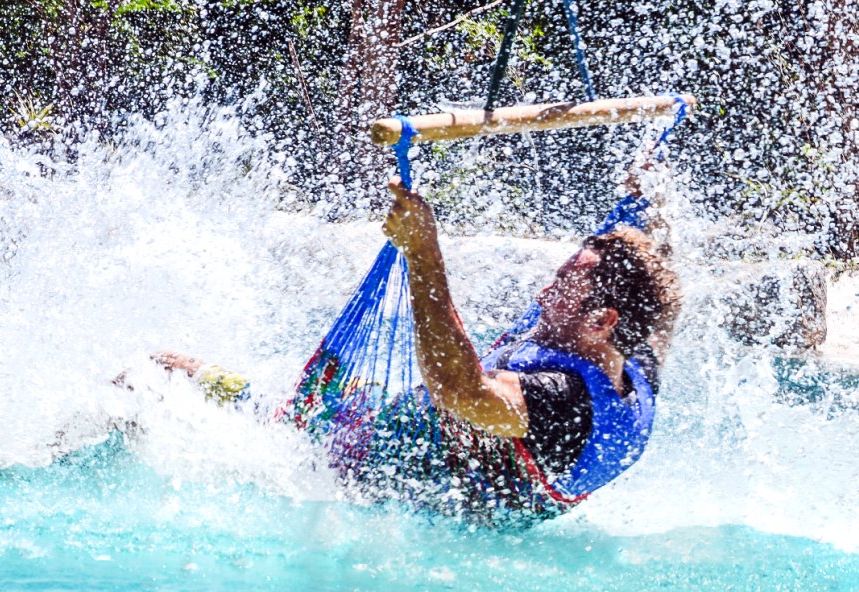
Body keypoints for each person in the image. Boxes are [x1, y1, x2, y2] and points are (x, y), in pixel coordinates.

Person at [156, 175, 682, 526]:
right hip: (375, 422)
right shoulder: (632, 364)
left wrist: (423, 251)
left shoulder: (564, 402)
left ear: (600, 320)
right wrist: (645, 205)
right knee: (202, 382)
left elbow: (460, 390)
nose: (545, 291)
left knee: (168, 382)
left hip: (347, 463)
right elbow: (660, 304)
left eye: (563, 282)